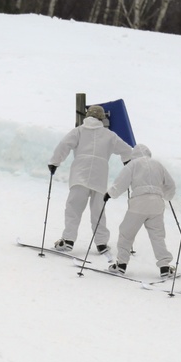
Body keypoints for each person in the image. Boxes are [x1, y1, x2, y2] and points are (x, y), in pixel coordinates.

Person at [48, 105, 133, 255]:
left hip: (80, 175)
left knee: (73, 209)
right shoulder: (109, 135)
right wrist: (127, 161)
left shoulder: (79, 131)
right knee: (98, 211)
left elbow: (64, 145)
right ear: (101, 118)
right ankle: (101, 244)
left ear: (87, 116)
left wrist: (54, 162)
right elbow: (126, 150)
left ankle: (68, 240)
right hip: (99, 177)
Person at [104, 143, 177, 278]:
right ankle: (164, 267)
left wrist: (110, 194)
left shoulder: (133, 164)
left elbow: (121, 182)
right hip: (156, 204)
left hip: (138, 203)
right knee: (157, 236)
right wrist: (167, 196)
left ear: (134, 155)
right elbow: (171, 185)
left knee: (126, 233)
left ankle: (121, 265)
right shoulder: (158, 165)